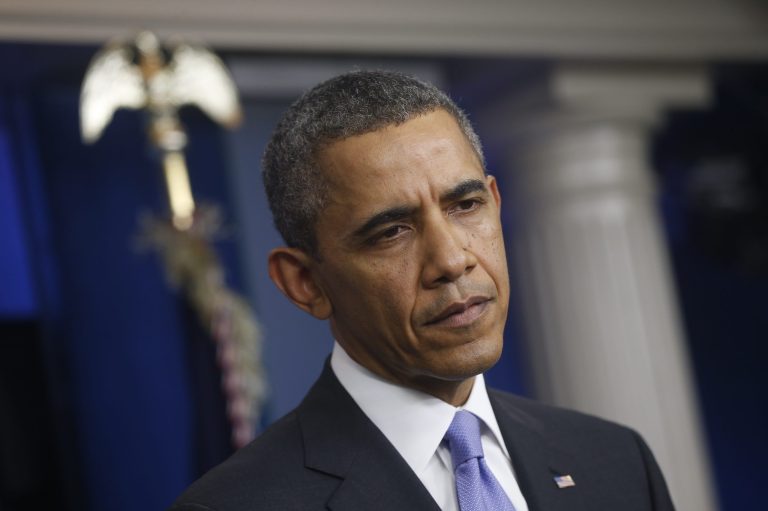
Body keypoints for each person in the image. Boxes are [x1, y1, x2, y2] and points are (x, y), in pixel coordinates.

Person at [170, 70, 674, 511]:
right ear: (304, 283)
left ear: (495, 203)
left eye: (465, 205)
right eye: (391, 232)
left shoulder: (616, 461)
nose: (452, 260)